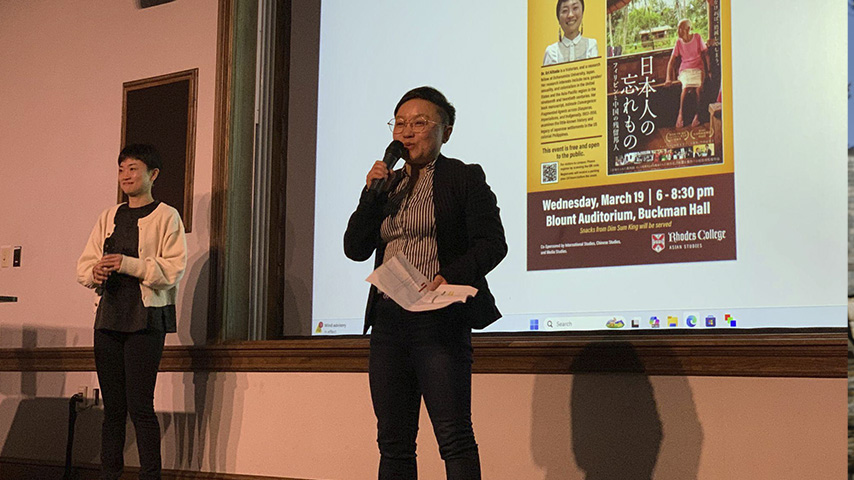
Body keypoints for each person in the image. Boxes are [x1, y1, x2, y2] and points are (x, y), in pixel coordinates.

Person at [344, 87, 507, 479]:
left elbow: (493, 244)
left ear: (445, 131)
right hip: (388, 322)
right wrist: (371, 195)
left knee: (453, 437)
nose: (407, 132)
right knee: (393, 442)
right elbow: (354, 248)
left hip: (440, 319)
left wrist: (448, 277)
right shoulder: (388, 185)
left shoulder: (464, 178)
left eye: (420, 123)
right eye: (400, 123)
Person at [77, 144, 187, 480]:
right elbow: (84, 264)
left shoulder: (167, 216)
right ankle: (109, 474)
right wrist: (93, 273)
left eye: (133, 168)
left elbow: (173, 269)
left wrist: (128, 263)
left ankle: (150, 476)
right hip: (109, 318)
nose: (126, 175)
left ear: (153, 175)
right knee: (112, 410)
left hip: (145, 320)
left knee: (140, 407)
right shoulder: (108, 216)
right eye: (122, 168)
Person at [664, 19, 710, 128]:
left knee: (699, 89)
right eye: (678, 28)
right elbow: (671, 62)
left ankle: (697, 116)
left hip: (698, 68)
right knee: (685, 88)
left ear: (688, 29)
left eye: (681, 28)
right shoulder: (678, 43)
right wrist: (668, 78)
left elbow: (706, 54)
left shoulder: (697, 37)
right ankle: (681, 115)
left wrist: (709, 71)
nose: (678, 31)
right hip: (685, 70)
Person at [542, 0, 598, 66]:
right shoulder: (551, 51)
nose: (570, 15)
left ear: (582, 13)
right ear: (558, 18)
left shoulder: (591, 45)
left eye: (575, 8)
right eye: (565, 10)